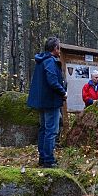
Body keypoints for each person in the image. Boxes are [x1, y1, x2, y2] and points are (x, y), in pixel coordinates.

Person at [27, 37, 67, 168]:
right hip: (50, 101)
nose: (59, 50)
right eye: (59, 47)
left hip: (42, 101)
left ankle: (43, 157)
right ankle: (48, 160)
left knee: (44, 129)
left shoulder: (41, 60)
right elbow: (52, 81)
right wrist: (63, 92)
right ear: (55, 49)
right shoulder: (49, 61)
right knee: (51, 130)